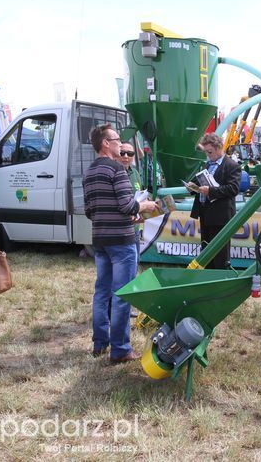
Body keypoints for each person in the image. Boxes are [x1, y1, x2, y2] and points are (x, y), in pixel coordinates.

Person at [83, 124, 156, 363]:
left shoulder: (90, 172)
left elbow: (89, 211)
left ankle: (100, 343)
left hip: (100, 239)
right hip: (121, 241)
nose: (120, 144)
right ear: (105, 143)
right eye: (116, 139)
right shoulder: (116, 170)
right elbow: (127, 205)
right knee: (123, 294)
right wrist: (145, 207)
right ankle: (121, 349)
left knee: (102, 292)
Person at [189, 133, 242, 270]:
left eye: (210, 152)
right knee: (206, 249)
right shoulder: (207, 164)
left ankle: (220, 278)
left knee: (220, 253)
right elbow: (199, 183)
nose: (207, 155)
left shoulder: (232, 165)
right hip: (205, 215)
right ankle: (208, 277)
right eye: (206, 152)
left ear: (219, 148)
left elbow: (233, 189)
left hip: (221, 217)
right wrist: (192, 187)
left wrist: (210, 191)